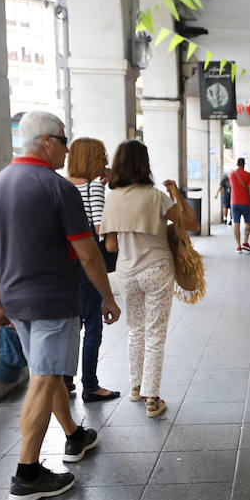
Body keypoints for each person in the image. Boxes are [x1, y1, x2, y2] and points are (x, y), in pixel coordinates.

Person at [0, 111, 119, 500]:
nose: (66, 149)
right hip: (53, 300)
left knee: (49, 371)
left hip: (14, 301)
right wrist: (107, 297)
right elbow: (87, 252)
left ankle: (74, 434)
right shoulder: (58, 189)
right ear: (45, 142)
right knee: (43, 377)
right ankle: (27, 473)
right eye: (63, 141)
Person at [100, 140, 198, 418]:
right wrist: (175, 193)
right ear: (145, 164)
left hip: (128, 272)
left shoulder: (113, 198)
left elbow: (110, 246)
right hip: (157, 268)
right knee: (155, 334)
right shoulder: (156, 196)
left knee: (135, 330)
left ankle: (135, 386)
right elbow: (191, 223)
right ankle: (152, 398)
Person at [62, 137, 120, 403]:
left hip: (65, 266)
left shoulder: (61, 186)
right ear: (90, 159)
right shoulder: (92, 188)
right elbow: (98, 229)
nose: (105, 163)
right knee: (93, 325)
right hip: (88, 265)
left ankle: (65, 381)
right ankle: (91, 384)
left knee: (72, 325)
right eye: (101, 157)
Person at [229, 157, 250, 253]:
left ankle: (238, 246)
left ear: (237, 164)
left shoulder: (231, 174)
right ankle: (245, 242)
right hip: (245, 202)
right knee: (248, 223)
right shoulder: (247, 175)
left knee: (236, 224)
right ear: (244, 164)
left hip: (234, 202)